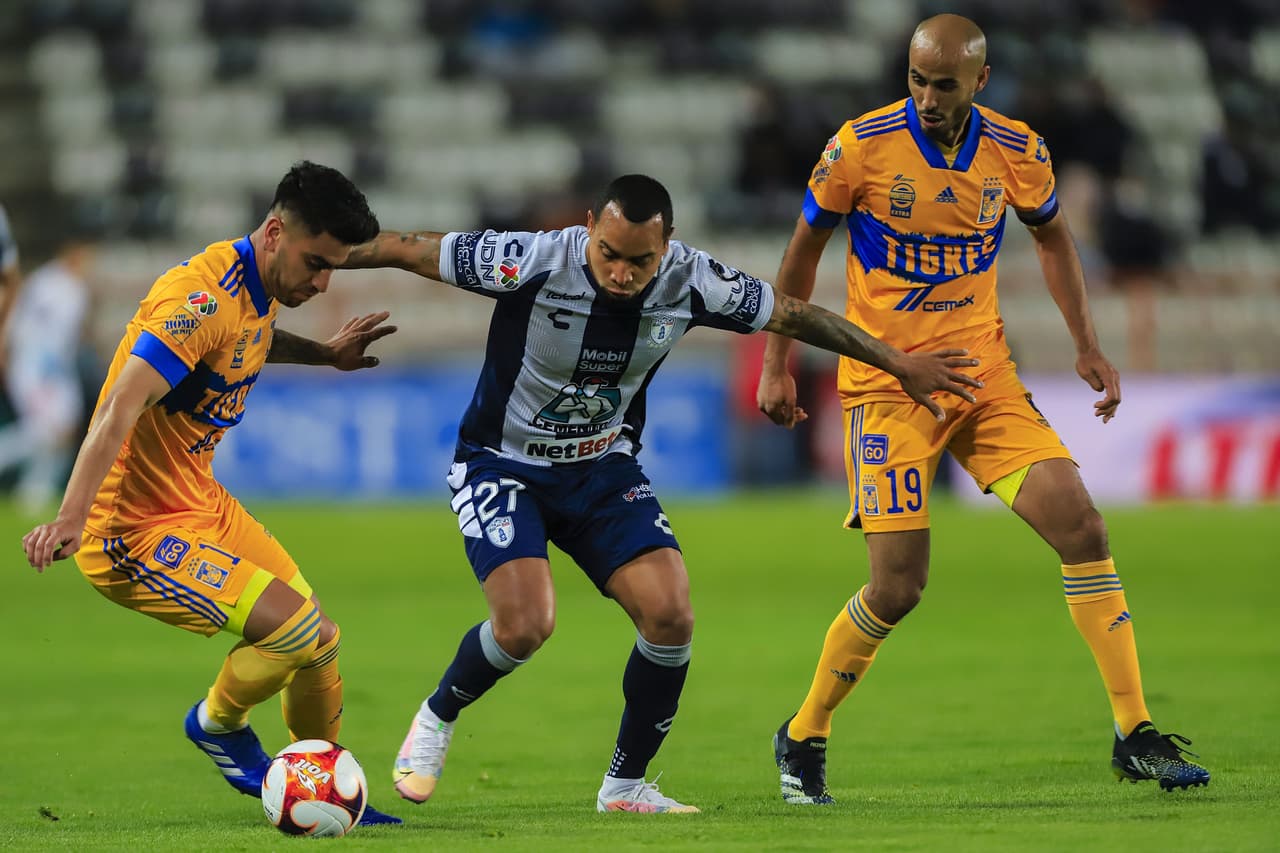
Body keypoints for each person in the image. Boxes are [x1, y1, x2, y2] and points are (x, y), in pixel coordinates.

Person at [341, 173, 982, 814]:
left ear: (667, 244)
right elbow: (408, 247)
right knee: (526, 625)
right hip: (503, 466)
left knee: (671, 615)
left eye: (639, 260)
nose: (621, 273)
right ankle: (436, 716)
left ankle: (624, 787)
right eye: (609, 254)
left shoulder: (693, 280)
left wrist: (897, 362)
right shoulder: (533, 259)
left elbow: (796, 315)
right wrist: (315, 261)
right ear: (590, 227)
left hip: (601, 469)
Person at [756, 14, 1210, 805]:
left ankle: (1134, 730)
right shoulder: (860, 146)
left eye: (945, 85)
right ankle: (803, 732)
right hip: (888, 383)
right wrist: (777, 361)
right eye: (917, 81)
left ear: (980, 82)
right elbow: (801, 251)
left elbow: (1055, 240)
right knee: (898, 587)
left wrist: (1087, 343)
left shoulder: (1017, 149)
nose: (928, 99)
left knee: (1082, 525)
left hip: (982, 378)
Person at [20, 162, 402, 825]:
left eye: (334, 268)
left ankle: (321, 786)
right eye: (316, 263)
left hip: (196, 501)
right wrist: (70, 516)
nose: (322, 281)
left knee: (321, 640)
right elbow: (117, 407)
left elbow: (250, 339)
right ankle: (218, 724)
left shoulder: (257, 288)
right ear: (276, 231)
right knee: (292, 631)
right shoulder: (196, 299)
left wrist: (325, 355)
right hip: (128, 529)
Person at [0, 228, 95, 512]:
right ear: (74, 252)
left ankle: (33, 498)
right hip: (39, 370)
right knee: (50, 431)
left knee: (63, 435)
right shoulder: (63, 286)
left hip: (47, 371)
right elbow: (44, 332)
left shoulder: (50, 281)